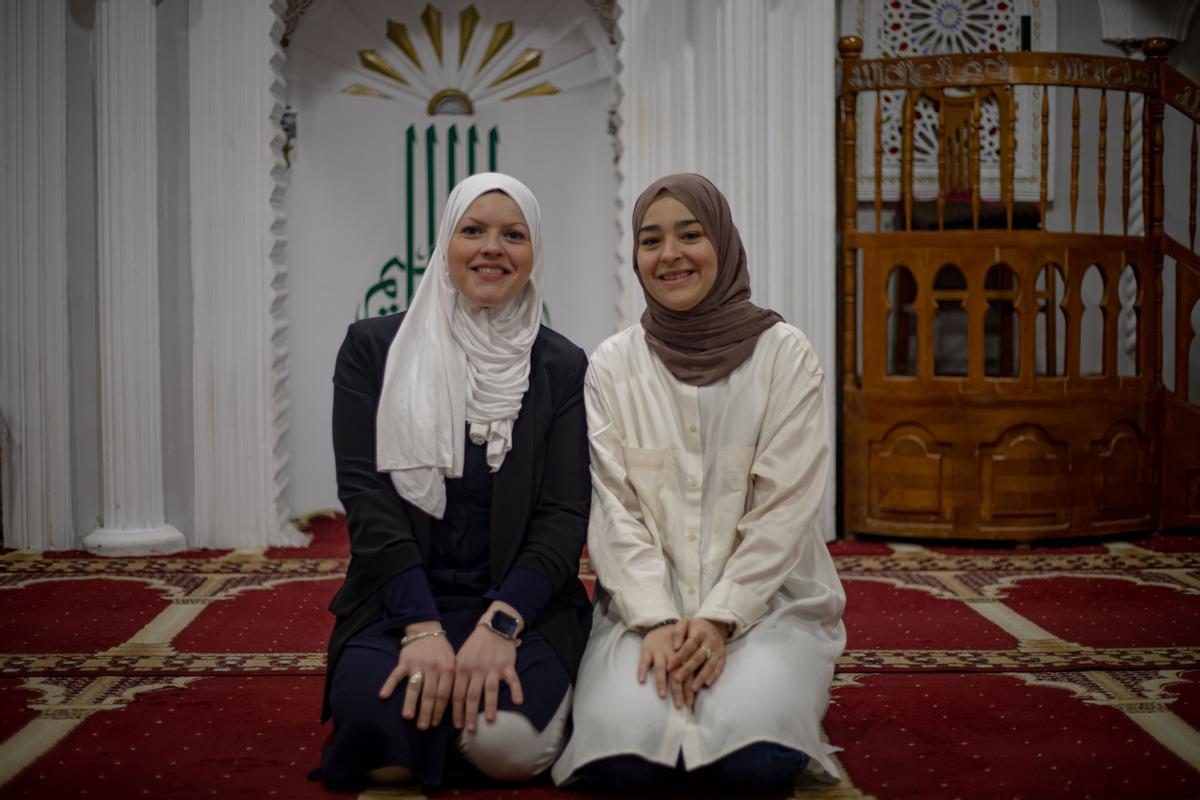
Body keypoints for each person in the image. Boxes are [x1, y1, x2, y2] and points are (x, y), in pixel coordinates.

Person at [552, 173, 846, 794]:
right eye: (651, 240)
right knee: (623, 759)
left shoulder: (783, 354)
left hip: (768, 607)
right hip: (641, 609)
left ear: (724, 242)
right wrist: (656, 619)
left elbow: (785, 511)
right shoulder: (613, 364)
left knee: (752, 762)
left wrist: (719, 618)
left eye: (691, 235)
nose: (671, 255)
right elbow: (614, 510)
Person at [316, 173, 592, 790]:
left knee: (508, 752)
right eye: (473, 231)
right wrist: (421, 626)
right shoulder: (373, 349)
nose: (493, 248)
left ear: (533, 252)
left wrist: (502, 624)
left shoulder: (561, 366)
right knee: (381, 751)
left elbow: (563, 516)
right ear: (446, 244)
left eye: (513, 235)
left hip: (522, 604)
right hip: (399, 601)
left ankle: (459, 721)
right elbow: (369, 502)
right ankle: (437, 715)